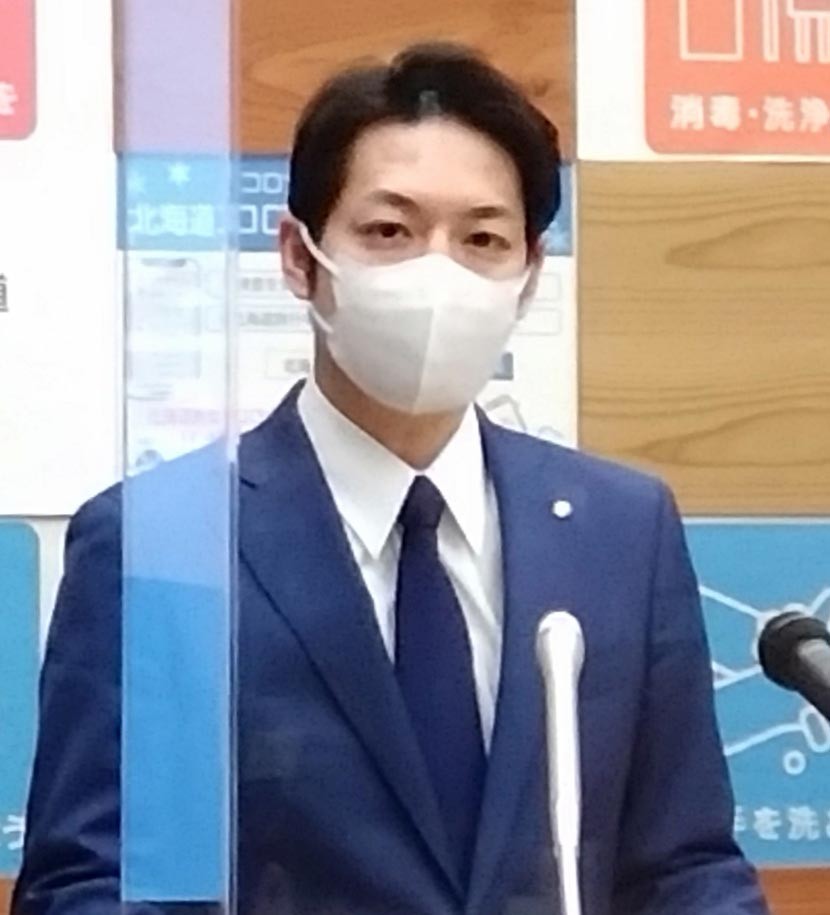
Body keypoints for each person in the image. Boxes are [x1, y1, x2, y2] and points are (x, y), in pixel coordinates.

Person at [13, 42, 770, 915]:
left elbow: (683, 867)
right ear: (298, 256)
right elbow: (93, 884)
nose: (437, 271)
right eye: (389, 231)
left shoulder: (622, 532)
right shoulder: (166, 544)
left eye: (482, 239)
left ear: (528, 275)